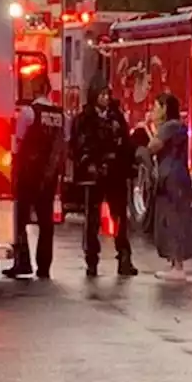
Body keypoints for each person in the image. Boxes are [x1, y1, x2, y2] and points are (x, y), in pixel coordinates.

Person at [70, 80, 138, 277]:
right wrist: (90, 164)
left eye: (107, 94)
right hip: (94, 176)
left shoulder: (116, 117)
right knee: (92, 220)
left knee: (120, 218)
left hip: (116, 173)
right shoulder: (84, 118)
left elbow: (126, 142)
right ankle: (92, 260)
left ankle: (124, 257)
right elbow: (78, 145)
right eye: (101, 94)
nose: (105, 98)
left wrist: (126, 163)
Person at [3, 75, 66, 280]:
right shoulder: (60, 114)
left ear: (37, 88)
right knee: (46, 222)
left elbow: (19, 142)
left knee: (20, 219)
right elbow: (63, 142)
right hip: (49, 175)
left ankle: (23, 263)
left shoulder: (29, 113)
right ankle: (44, 267)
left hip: (29, 173)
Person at [149, 92, 192, 279]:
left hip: (173, 178)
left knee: (175, 219)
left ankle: (178, 266)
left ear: (165, 108)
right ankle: (175, 264)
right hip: (175, 177)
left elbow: (153, 145)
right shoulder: (176, 127)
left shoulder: (170, 126)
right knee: (171, 218)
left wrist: (150, 129)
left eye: (156, 107)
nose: (153, 111)